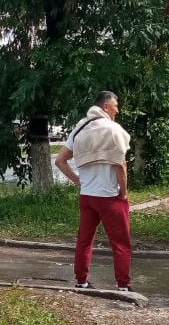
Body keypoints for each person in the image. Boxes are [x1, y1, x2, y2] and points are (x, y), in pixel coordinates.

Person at [55, 91, 133, 291]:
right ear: (106, 107)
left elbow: (60, 160)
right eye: (116, 105)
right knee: (120, 243)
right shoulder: (114, 130)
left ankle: (81, 281)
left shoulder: (80, 127)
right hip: (110, 196)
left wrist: (78, 181)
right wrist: (123, 193)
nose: (118, 109)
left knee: (84, 240)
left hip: (87, 196)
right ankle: (123, 285)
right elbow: (120, 165)